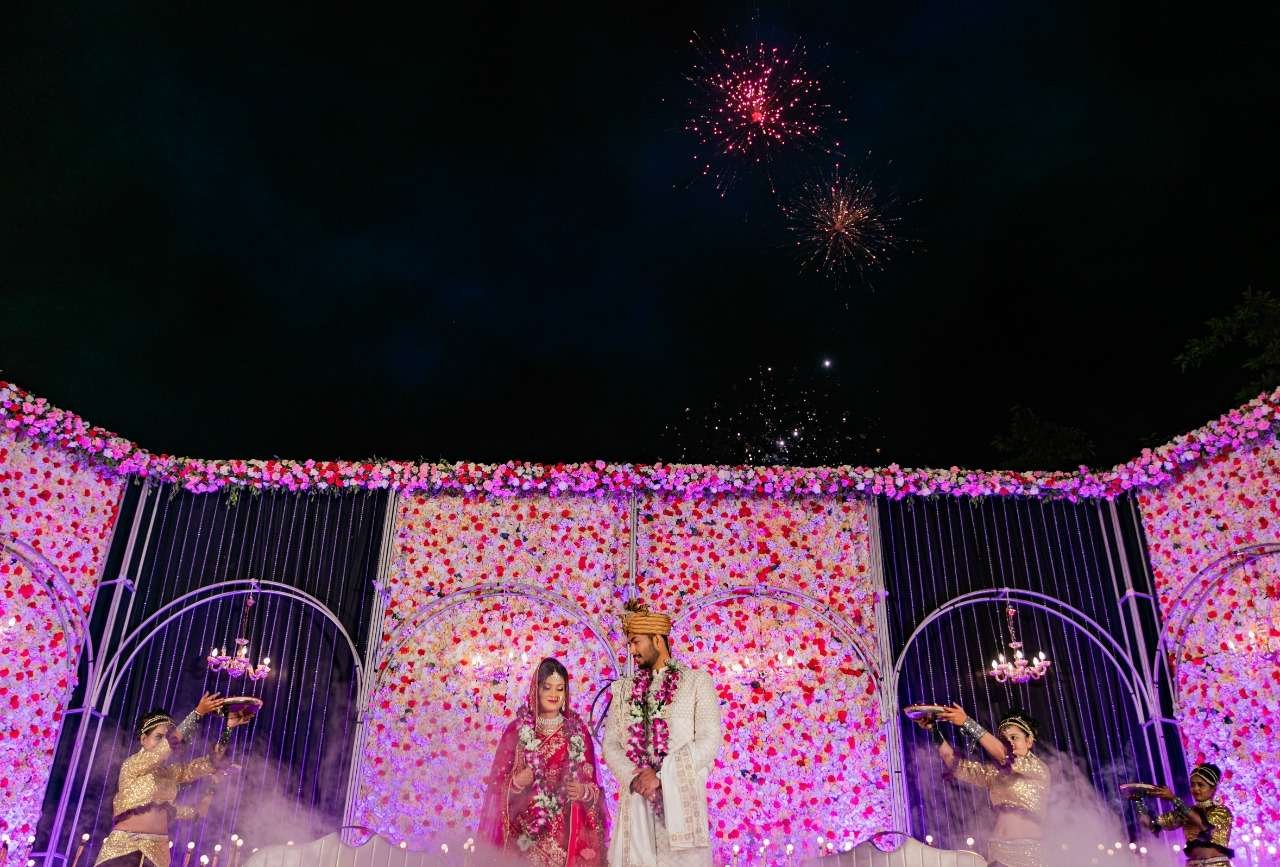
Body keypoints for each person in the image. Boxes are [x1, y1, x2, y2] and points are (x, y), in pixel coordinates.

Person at [602, 600, 722, 867]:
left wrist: (660, 776)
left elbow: (709, 738)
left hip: (680, 809)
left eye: (636, 642)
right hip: (637, 806)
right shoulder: (623, 691)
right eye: (629, 644)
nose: (631, 650)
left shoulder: (696, 682)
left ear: (658, 639)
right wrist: (636, 779)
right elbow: (611, 744)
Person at [479, 657, 609, 866]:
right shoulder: (517, 731)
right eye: (547, 687)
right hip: (523, 833)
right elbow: (496, 787)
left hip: (566, 836)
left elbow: (594, 786)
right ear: (536, 689)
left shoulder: (577, 732)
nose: (553, 694)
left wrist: (583, 791)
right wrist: (517, 782)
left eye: (560, 688)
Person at [94, 693, 250, 867]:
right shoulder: (132, 765)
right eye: (159, 736)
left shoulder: (170, 774)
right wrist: (197, 713)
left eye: (166, 737)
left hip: (156, 857)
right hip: (123, 851)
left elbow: (210, 763)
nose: (165, 742)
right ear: (144, 739)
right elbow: (164, 748)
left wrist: (228, 728)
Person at [916, 704, 1049, 867]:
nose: (1010, 743)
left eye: (1014, 737)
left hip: (1027, 853)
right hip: (997, 852)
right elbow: (953, 763)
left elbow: (1004, 755)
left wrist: (966, 722)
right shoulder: (994, 774)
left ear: (1029, 741)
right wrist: (933, 729)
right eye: (1004, 740)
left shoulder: (1038, 769)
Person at [1131, 763, 1234, 866]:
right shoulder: (1185, 812)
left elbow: (1203, 825)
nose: (1195, 789)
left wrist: (1173, 799)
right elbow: (1150, 825)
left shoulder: (1222, 812)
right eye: (1192, 785)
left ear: (1213, 789)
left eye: (1200, 785)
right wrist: (1138, 802)